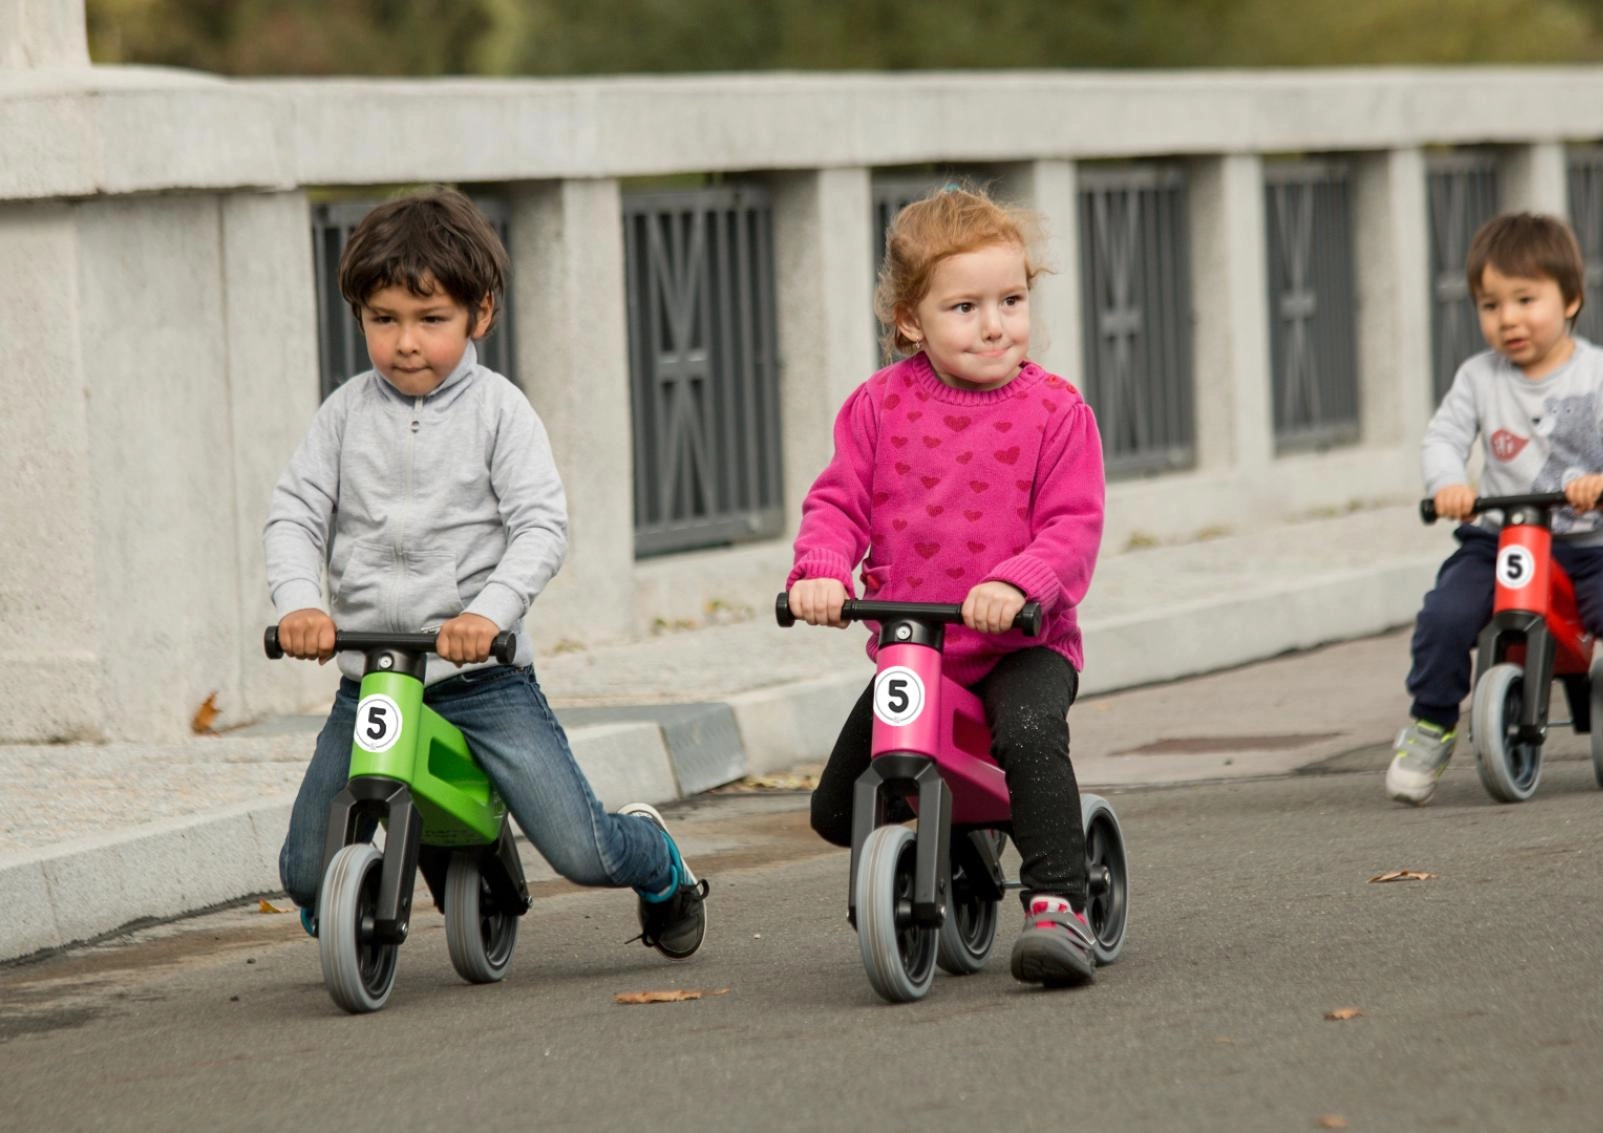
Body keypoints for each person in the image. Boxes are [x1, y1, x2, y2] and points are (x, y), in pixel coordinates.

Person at [264, 186, 707, 957]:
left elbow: (541, 525)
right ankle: (347, 900)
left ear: (481, 313)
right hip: (372, 681)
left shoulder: (500, 411)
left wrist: (487, 614)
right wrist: (301, 602)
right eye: (383, 319)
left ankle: (658, 860)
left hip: (482, 682)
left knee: (583, 850)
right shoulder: (343, 415)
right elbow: (295, 514)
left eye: (430, 319)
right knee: (303, 872)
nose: (406, 342)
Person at [786, 185, 1107, 986]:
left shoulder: (1056, 412)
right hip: (918, 649)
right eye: (965, 307)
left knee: (1027, 733)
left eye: (1011, 300)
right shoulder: (876, 408)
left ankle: (1059, 903)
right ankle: (956, 850)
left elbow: (1072, 528)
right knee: (838, 807)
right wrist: (822, 570)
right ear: (909, 321)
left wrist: (1019, 583)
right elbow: (838, 504)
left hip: (1021, 644)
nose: (995, 325)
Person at [1387, 211, 1603, 806]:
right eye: (1490, 305)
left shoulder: (1601, 373)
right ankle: (1430, 724)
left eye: (1525, 300)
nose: (1508, 319)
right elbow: (1444, 437)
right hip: (1499, 539)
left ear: (1571, 298)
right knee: (1445, 617)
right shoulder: (1478, 378)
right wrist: (1449, 483)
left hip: (1591, 542)